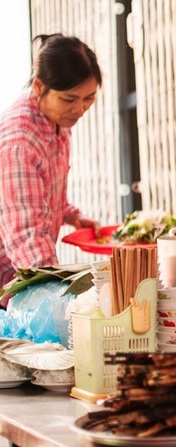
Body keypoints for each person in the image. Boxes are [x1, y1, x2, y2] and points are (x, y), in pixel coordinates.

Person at [0, 34, 102, 291]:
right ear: (38, 87)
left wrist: (71, 214)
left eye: (88, 98)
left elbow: (40, 188)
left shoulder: (57, 121)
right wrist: (54, 289)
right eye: (69, 99)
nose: (79, 109)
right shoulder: (20, 140)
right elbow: (25, 233)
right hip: (11, 275)